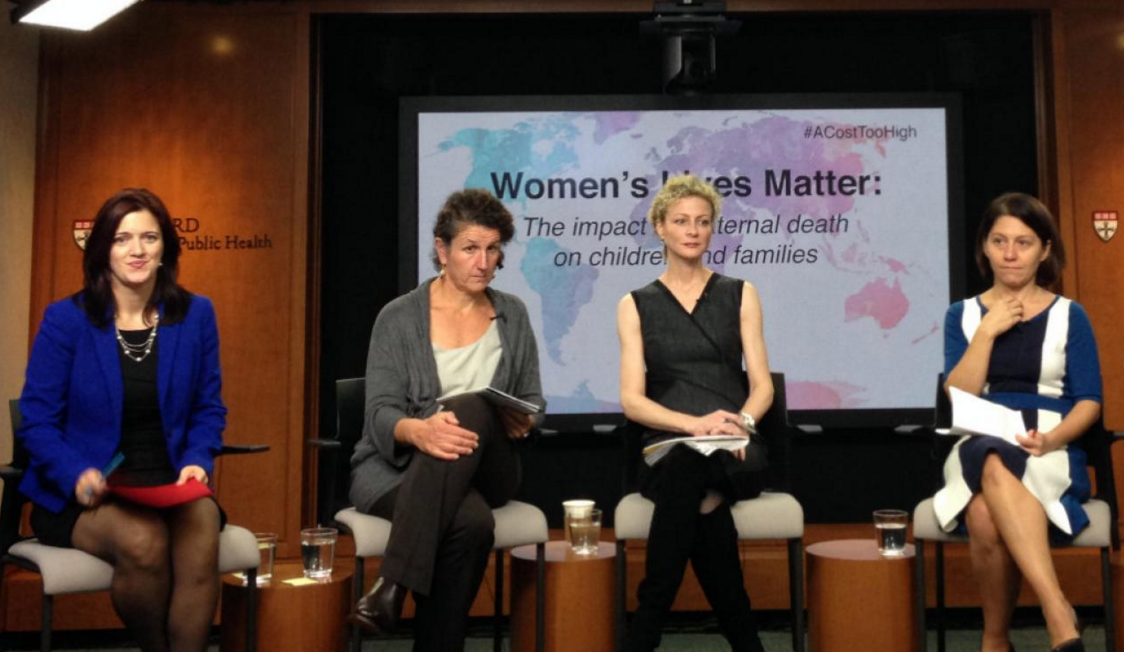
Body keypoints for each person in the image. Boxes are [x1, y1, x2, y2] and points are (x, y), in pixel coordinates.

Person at [17, 189, 227, 652]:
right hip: (87, 491)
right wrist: (76, 473)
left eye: (149, 237)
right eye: (122, 239)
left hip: (169, 480)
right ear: (103, 250)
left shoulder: (196, 315)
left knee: (203, 528)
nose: (137, 250)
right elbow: (36, 421)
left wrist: (197, 459)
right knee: (144, 541)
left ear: (165, 247)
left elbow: (208, 408)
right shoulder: (66, 319)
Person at [349, 188, 544, 651]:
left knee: (472, 405)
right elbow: (379, 412)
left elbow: (532, 399)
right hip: (395, 468)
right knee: (471, 526)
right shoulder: (398, 318)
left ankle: (391, 585)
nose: (483, 262)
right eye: (470, 248)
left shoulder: (512, 314)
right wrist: (419, 431)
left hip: (488, 465)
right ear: (442, 249)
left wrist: (524, 420)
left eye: (493, 249)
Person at [934, 193, 1100, 652]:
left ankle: (994, 640)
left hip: (1048, 444)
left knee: (983, 512)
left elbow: (1089, 401)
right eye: (999, 241)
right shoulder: (963, 315)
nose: (1010, 253)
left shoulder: (1070, 315)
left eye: (1023, 243)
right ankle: (1057, 610)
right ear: (984, 248)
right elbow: (959, 395)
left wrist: (1052, 439)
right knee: (988, 455)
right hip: (979, 434)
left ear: (1044, 250)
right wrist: (986, 332)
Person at [617, 174, 773, 652]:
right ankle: (745, 640)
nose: (692, 230)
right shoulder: (634, 305)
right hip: (666, 445)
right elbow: (632, 401)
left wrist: (740, 425)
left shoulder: (741, 292)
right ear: (660, 227)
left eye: (702, 222)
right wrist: (693, 426)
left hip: (735, 444)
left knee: (691, 475)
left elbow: (762, 386)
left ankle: (645, 629)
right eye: (681, 221)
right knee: (696, 486)